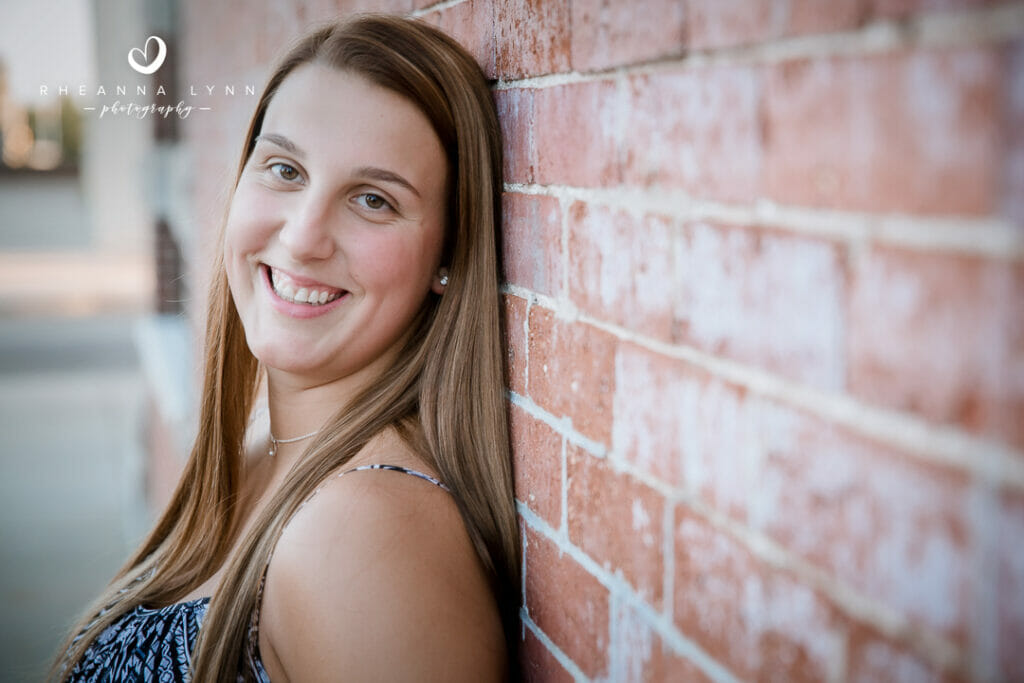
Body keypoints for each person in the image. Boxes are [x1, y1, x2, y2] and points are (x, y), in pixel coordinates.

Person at [53, 14, 520, 682]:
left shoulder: (367, 539)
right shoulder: (258, 458)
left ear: (448, 255)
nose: (302, 237)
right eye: (285, 168)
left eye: (373, 200)